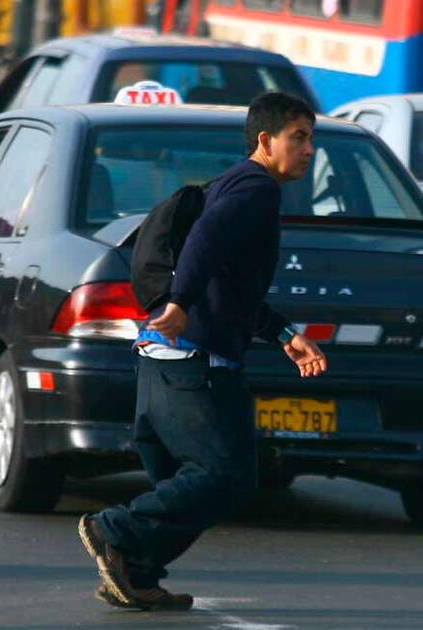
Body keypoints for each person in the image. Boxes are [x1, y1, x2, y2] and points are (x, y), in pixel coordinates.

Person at [77, 92, 328, 611]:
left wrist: (283, 333)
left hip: (166, 361)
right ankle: (115, 531)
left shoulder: (234, 184)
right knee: (227, 476)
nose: (308, 150)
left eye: (311, 138)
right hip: (196, 360)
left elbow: (230, 285)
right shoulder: (257, 189)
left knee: (188, 483)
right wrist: (180, 303)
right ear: (265, 141)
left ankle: (135, 571)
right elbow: (206, 243)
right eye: (298, 138)